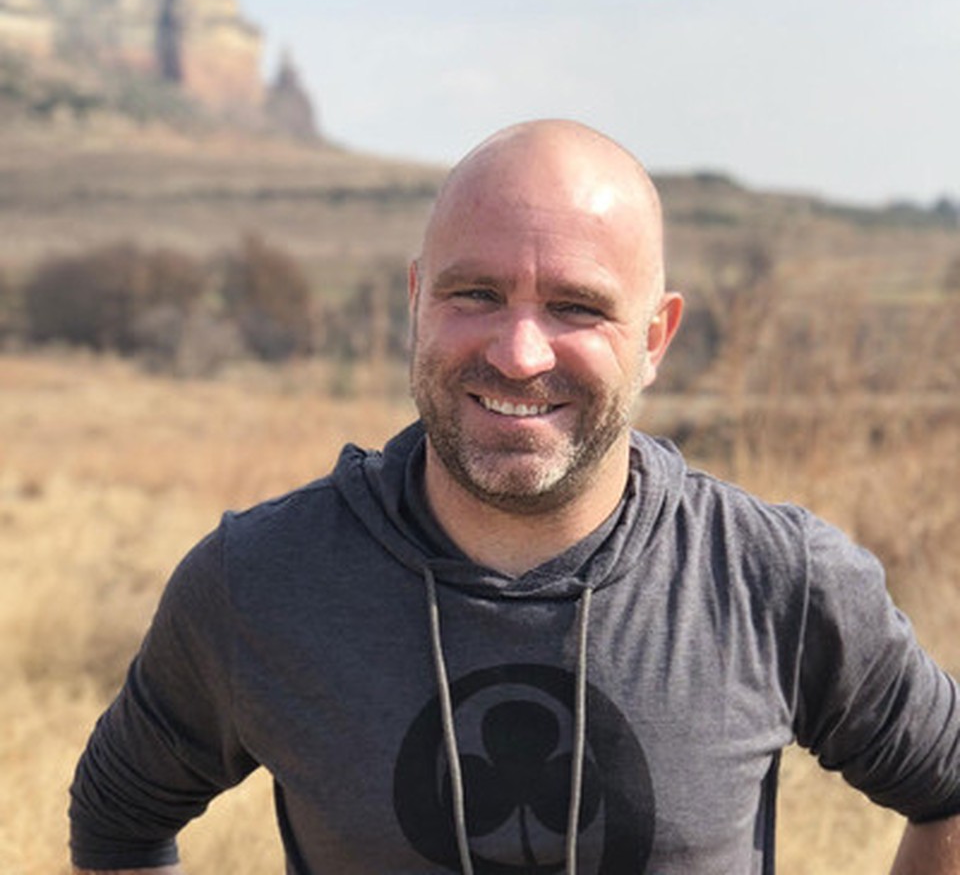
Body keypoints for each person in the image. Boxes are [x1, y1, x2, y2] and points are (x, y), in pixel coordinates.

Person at [70, 120, 960, 874]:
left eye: (577, 306)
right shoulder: (260, 582)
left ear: (655, 337)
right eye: (476, 294)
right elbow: (117, 822)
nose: (520, 353)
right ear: (418, 299)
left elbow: (949, 788)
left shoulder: (774, 578)